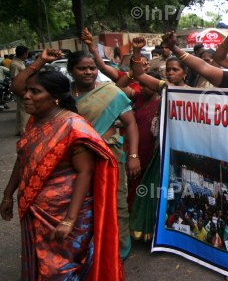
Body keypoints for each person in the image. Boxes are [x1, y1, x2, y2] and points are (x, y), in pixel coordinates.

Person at [11, 48, 141, 260]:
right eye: (82, 68)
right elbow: (18, 87)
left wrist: (133, 156)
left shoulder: (111, 92)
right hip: (70, 159)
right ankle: (85, 250)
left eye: (92, 68)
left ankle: (117, 251)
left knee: (115, 202)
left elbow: (131, 123)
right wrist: (41, 60)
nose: (88, 72)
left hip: (106, 155)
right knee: (84, 204)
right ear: (71, 71)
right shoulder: (59, 94)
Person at [128, 36, 189, 241]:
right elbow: (138, 74)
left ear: (185, 73)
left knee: (179, 195)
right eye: (168, 70)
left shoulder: (196, 94)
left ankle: (177, 236)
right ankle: (154, 233)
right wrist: (137, 52)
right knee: (157, 193)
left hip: (183, 150)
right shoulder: (164, 88)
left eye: (176, 70)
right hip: (161, 149)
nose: (170, 73)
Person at [116, 71, 162, 210]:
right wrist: (132, 73)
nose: (141, 88)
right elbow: (119, 86)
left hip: (152, 153)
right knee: (135, 185)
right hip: (137, 150)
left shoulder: (163, 102)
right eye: (140, 85)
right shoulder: (140, 98)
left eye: (146, 85)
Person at [10, 45, 30, 135]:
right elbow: (15, 78)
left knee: (20, 109)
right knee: (25, 110)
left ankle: (19, 129)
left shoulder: (20, 62)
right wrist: (21, 91)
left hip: (22, 87)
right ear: (24, 53)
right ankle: (24, 131)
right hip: (19, 89)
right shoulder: (15, 64)